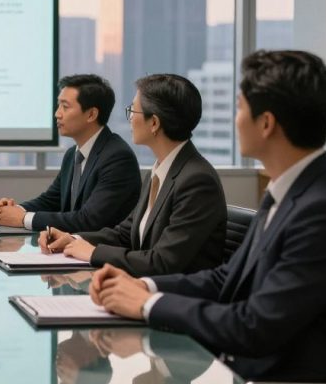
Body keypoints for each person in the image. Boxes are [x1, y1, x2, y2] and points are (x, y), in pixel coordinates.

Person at [90, 50, 326, 384]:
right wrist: (143, 285)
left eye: (240, 108)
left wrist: (146, 306)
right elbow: (225, 279)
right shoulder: (289, 191)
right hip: (234, 379)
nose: (234, 119)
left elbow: (253, 327)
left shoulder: (324, 212)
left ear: (267, 123)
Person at [40, 74, 227, 277]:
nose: (130, 118)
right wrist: (73, 239)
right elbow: (124, 234)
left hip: (175, 298)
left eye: (133, 111)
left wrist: (94, 252)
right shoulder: (159, 171)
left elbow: (162, 262)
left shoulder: (197, 181)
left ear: (154, 123)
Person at [0, 74, 141, 233]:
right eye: (58, 106)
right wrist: (9, 211)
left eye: (65, 107)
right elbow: (51, 200)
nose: (57, 114)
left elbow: (88, 220)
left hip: (100, 253)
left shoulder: (117, 158)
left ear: (91, 115)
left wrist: (21, 218)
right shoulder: (72, 154)